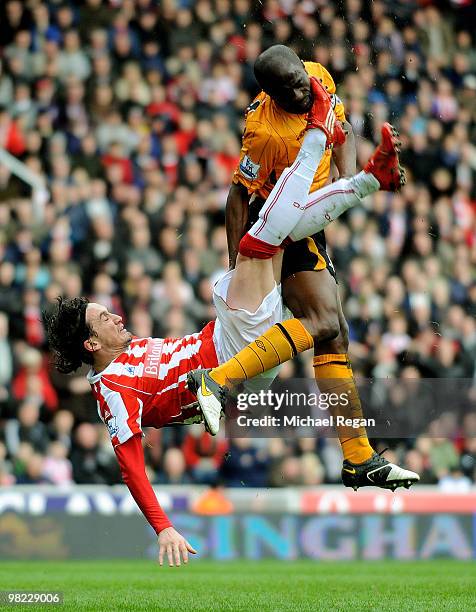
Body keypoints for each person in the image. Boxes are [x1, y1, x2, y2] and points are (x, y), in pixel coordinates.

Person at [45, 81, 416, 567]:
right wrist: (164, 527)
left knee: (317, 308)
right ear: (92, 343)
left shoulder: (129, 351)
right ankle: (328, 141)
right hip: (223, 357)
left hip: (225, 346)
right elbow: (131, 467)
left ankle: (357, 455)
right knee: (261, 241)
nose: (115, 314)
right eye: (103, 318)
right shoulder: (112, 390)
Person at [225, 45, 387, 479]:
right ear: (273, 94)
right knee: (325, 324)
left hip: (311, 219)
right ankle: (219, 380)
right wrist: (236, 265)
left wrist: (345, 181)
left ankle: (356, 456)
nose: (305, 89)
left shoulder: (318, 76)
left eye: (303, 78)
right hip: (276, 223)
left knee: (335, 332)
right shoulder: (263, 133)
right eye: (293, 88)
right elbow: (239, 194)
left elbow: (345, 130)